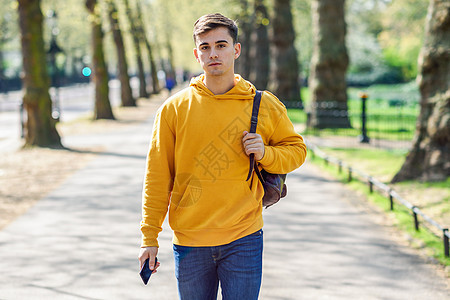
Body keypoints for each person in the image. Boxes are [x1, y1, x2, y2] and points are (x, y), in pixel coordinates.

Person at [139, 13, 307, 300]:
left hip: (244, 237)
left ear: (236, 49)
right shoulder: (173, 109)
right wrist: (149, 238)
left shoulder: (263, 104)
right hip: (190, 241)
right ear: (196, 54)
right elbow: (157, 176)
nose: (213, 53)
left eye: (221, 45)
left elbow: (297, 151)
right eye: (205, 47)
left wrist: (265, 153)